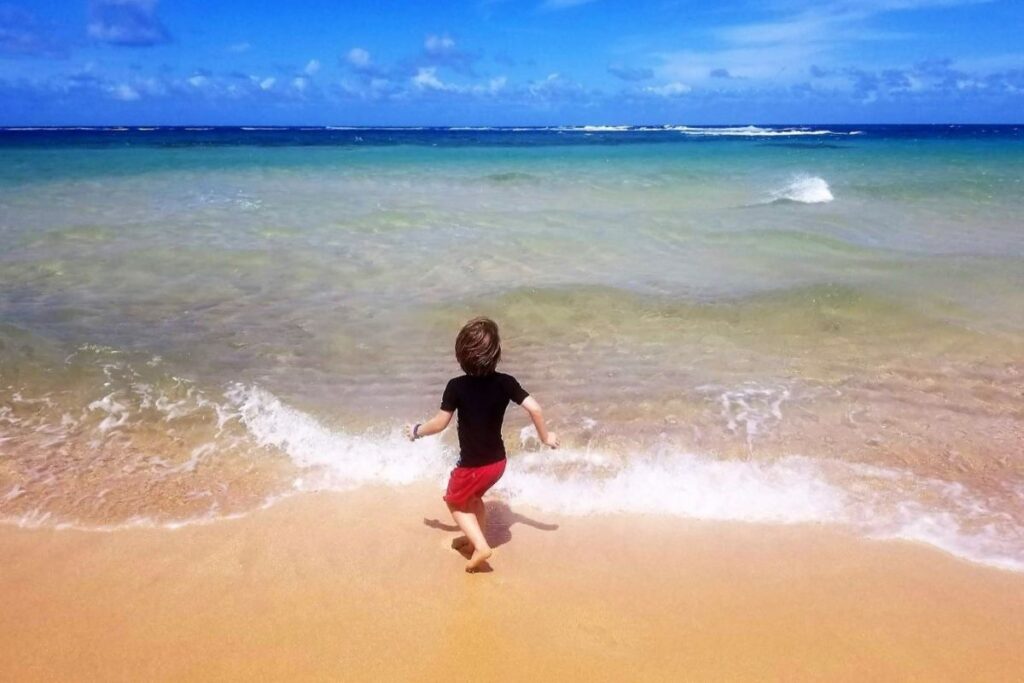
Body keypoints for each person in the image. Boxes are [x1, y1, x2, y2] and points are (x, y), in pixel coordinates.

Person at [405, 317, 558, 572]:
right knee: (474, 499)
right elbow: (535, 408)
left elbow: (440, 423)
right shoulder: (506, 382)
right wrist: (546, 437)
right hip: (498, 464)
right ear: (496, 354)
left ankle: (481, 546)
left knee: (455, 501)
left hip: (472, 467)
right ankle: (475, 538)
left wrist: (416, 430)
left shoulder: (456, 387)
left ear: (460, 354)